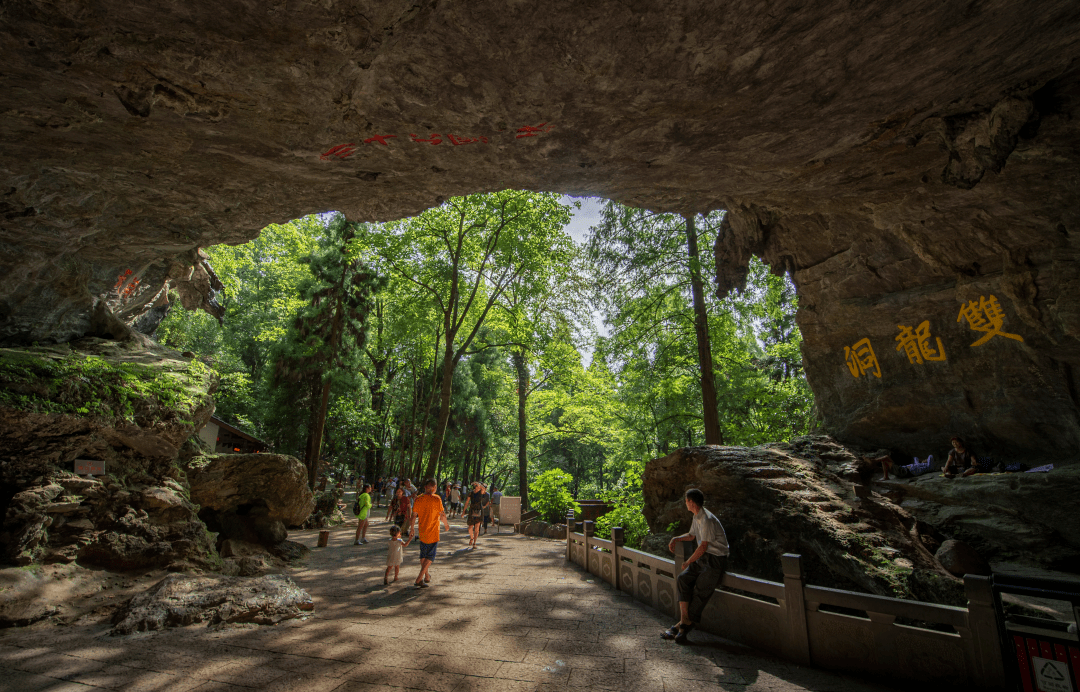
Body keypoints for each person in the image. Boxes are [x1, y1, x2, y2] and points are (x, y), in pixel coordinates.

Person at [663, 488, 729, 644]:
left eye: (686, 501)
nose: (685, 503)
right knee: (683, 579)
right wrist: (676, 538)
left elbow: (703, 546)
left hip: (715, 559)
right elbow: (692, 535)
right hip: (704, 557)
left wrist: (688, 562)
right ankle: (683, 622)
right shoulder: (696, 516)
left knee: (700, 589)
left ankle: (683, 627)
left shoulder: (707, 519)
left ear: (691, 502)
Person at [409, 479, 450, 588]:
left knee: (423, 555)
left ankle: (426, 576)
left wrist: (412, 529)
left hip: (422, 531)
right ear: (434, 487)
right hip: (433, 532)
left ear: (425, 487)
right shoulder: (437, 499)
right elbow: (442, 514)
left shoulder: (419, 499)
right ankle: (419, 578)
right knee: (430, 556)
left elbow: (413, 516)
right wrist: (446, 525)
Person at [463, 482, 488, 549]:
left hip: (479, 510)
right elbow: (467, 502)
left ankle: (474, 543)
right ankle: (472, 538)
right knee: (470, 527)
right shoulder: (471, 493)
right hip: (472, 510)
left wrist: (478, 483)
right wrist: (463, 511)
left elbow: (483, 488)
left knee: (477, 528)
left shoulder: (481, 492)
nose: (477, 486)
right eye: (476, 485)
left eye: (478, 485)